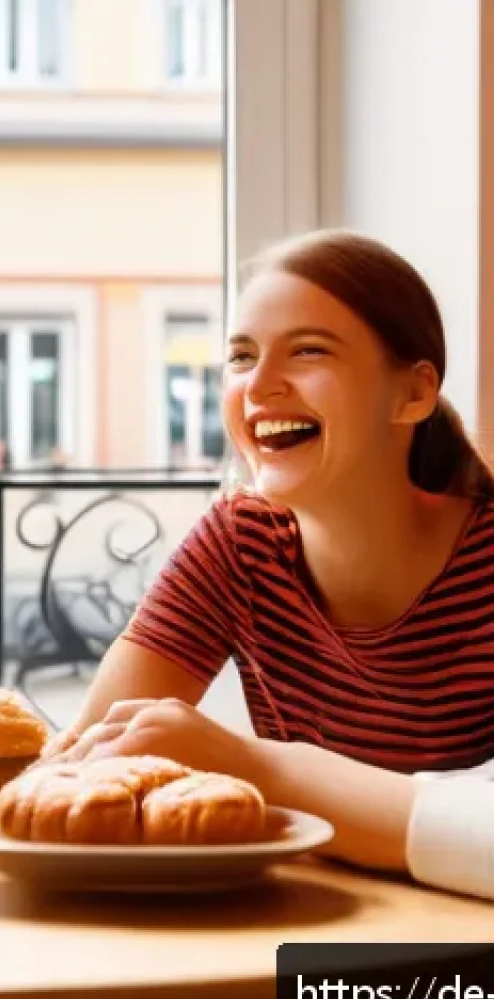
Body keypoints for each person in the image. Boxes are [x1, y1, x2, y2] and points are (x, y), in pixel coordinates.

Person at [45, 228, 494, 901]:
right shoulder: (239, 545)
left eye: (308, 350)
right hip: (307, 929)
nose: (258, 384)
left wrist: (247, 765)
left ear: (414, 394)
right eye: (240, 357)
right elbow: (81, 771)